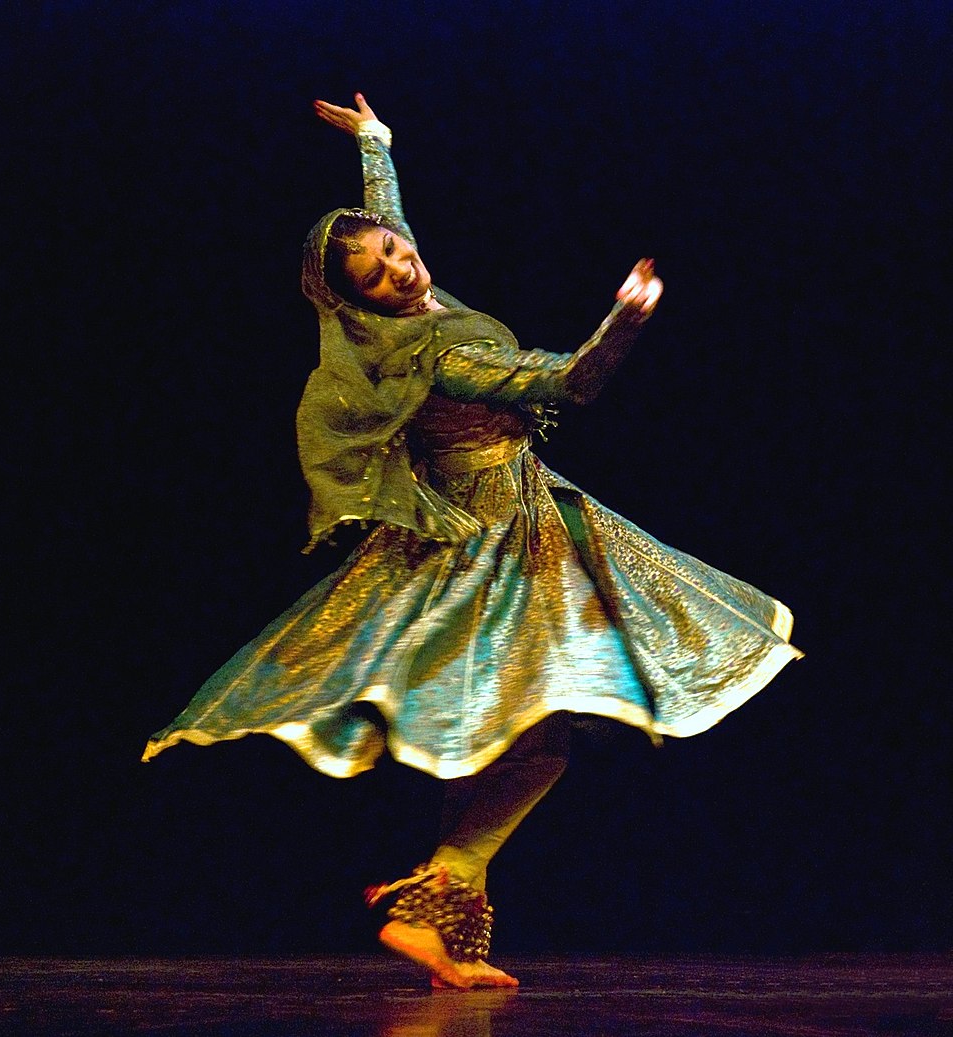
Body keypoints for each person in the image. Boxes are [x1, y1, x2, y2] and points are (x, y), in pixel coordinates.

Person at [143, 94, 802, 989]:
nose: (403, 266)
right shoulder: (435, 353)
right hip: (496, 539)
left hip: (502, 515)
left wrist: (376, 145)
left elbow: (395, 221)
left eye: (395, 250)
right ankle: (443, 889)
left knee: (497, 733)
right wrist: (626, 323)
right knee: (543, 734)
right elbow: (566, 385)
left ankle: (445, 927)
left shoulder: (400, 312)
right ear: (356, 300)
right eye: (378, 270)